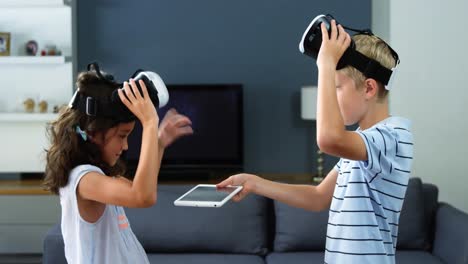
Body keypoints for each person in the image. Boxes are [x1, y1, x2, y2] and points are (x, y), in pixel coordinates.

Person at [217, 20, 413, 263]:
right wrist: (254, 183)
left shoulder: (392, 138)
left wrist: (326, 65)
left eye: (337, 87)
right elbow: (318, 197)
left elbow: (328, 139)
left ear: (369, 89)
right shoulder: (360, 146)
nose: (331, 96)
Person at [43, 67, 193, 263]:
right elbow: (143, 196)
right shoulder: (84, 179)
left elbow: (140, 188)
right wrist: (149, 122)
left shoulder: (98, 176)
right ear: (92, 132)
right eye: (122, 136)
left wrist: (159, 142)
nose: (125, 146)